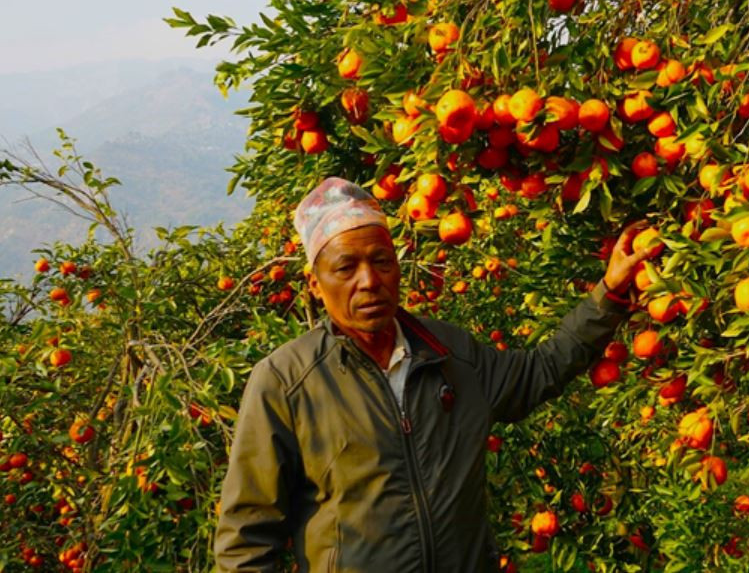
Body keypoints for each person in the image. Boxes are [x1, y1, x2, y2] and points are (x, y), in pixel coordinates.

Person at [214, 177, 649, 573]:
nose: (368, 281)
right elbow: (246, 542)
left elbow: (540, 371)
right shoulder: (287, 383)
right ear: (314, 283)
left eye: (381, 261)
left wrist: (608, 296)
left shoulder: (449, 354)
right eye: (346, 268)